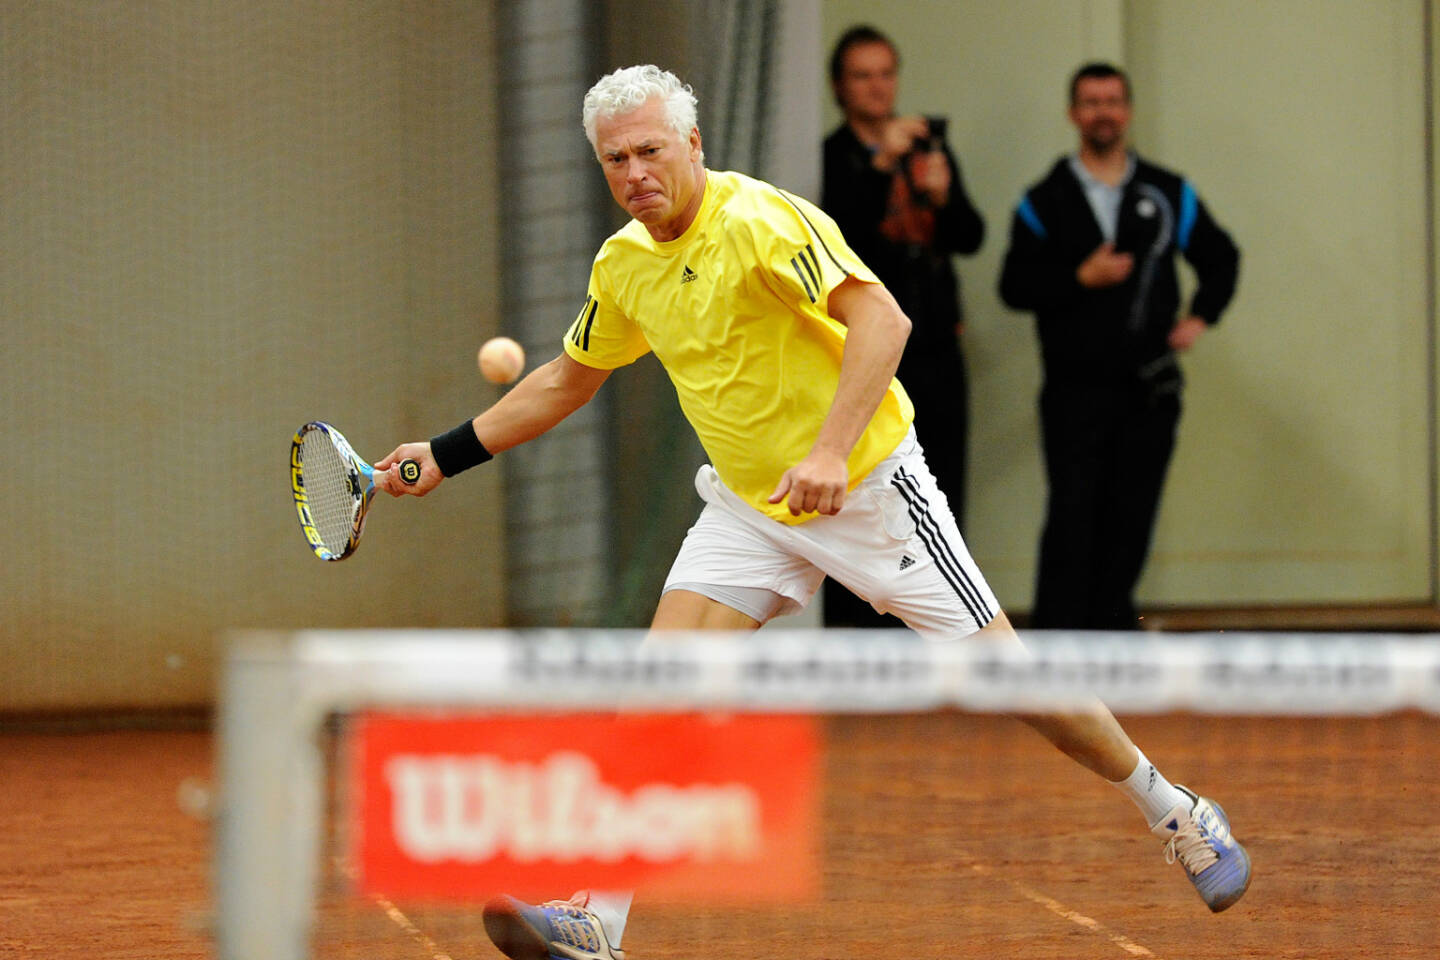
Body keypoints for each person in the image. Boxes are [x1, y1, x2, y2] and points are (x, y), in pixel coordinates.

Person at [375, 64, 1250, 960]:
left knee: (1015, 684)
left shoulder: (759, 222)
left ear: (693, 146)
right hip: (750, 510)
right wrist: (444, 455)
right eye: (615, 159)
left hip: (870, 491)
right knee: (656, 696)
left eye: (650, 150)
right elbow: (568, 378)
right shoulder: (626, 264)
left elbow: (885, 321)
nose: (635, 173)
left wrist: (831, 448)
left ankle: (1173, 808)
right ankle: (598, 917)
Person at [999, 62, 1240, 631]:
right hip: (1073, 392)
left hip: (1149, 391)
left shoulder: (1169, 192)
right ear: (1072, 113)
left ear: (1127, 111)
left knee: (1131, 520)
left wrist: (1199, 318)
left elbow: (1221, 258)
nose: (1102, 112)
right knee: (1072, 517)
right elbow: (1014, 287)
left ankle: (1113, 647)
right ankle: (1057, 650)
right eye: (1090, 101)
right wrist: (1079, 278)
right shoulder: (1043, 201)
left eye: (1112, 101)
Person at [820, 25, 984, 629]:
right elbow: (838, 238)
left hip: (936, 344)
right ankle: (858, 639)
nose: (878, 87)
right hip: (861, 351)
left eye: (886, 72)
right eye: (863, 75)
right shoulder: (831, 156)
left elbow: (970, 235)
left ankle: (945, 631)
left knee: (941, 487)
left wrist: (941, 196)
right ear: (840, 86)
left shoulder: (926, 149)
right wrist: (879, 162)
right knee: (860, 492)